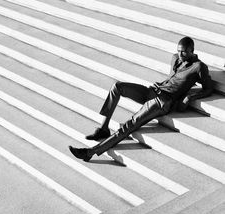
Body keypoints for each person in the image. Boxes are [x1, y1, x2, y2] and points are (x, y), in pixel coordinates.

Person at [69, 36, 213, 162]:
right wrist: (164, 83)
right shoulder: (175, 58)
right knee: (117, 87)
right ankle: (104, 128)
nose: (180, 54)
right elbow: (172, 78)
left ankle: (90, 152)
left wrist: (189, 97)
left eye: (184, 52)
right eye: (179, 50)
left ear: (192, 51)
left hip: (162, 101)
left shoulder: (199, 67)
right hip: (153, 91)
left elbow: (208, 89)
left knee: (130, 124)